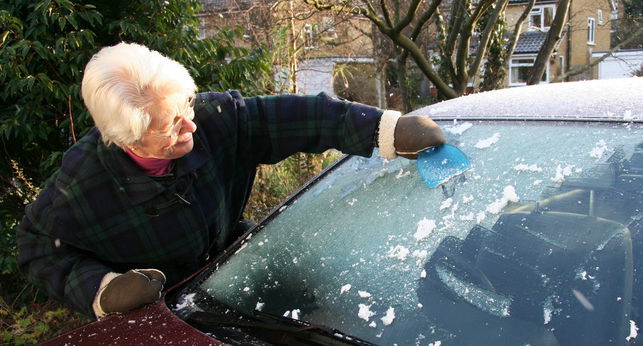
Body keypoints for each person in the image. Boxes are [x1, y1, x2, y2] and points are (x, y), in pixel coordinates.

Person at [16, 42, 445, 318]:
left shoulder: (214, 119)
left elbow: (295, 117)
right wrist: (102, 291)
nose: (190, 126)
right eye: (169, 126)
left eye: (186, 105)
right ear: (126, 138)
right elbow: (39, 251)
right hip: (163, 312)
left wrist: (381, 130)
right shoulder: (81, 187)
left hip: (231, 271)